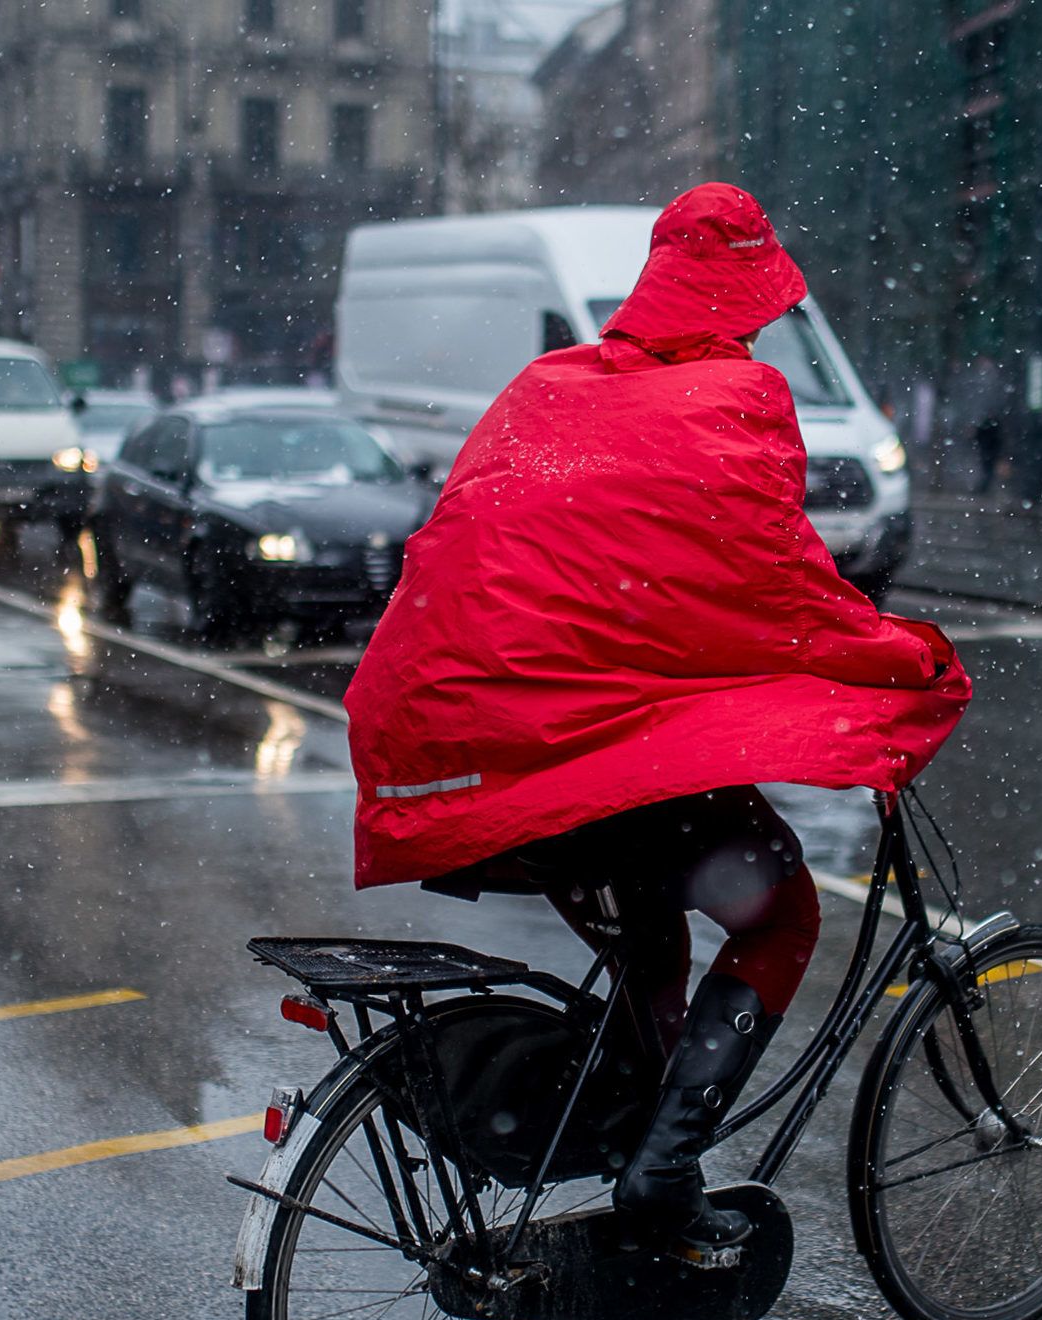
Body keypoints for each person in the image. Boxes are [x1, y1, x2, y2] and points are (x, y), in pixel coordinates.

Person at [345, 183, 972, 1258]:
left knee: (653, 924)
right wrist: (906, 659)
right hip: (569, 750)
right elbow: (777, 591)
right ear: (749, 299)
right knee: (778, 916)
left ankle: (638, 1131)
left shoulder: (548, 387)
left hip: (474, 752)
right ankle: (664, 1171)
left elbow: (525, 569)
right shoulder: (738, 398)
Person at [972, 413, 1005, 496]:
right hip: (990, 452)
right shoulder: (994, 428)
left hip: (988, 452)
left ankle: (984, 488)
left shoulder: (988, 427)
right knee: (988, 471)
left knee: (987, 471)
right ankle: (985, 488)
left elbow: (979, 436)